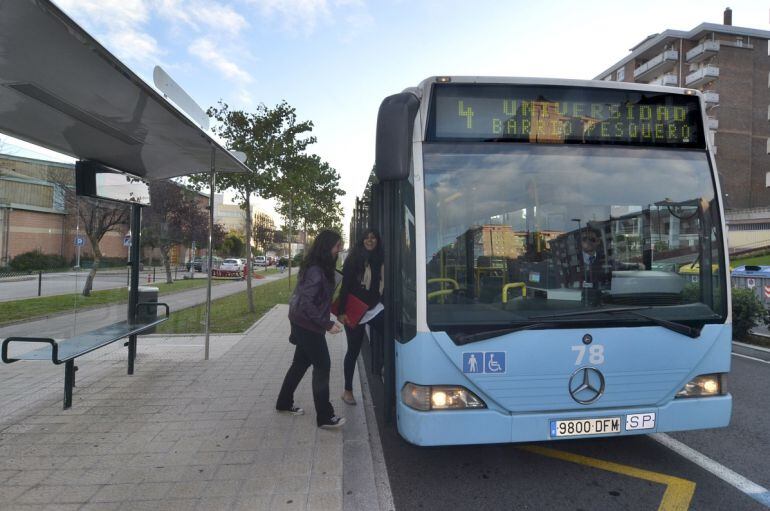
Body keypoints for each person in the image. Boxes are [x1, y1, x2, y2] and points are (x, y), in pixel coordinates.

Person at [276, 230, 346, 429]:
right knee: (323, 366)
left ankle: (283, 403)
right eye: (337, 246)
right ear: (327, 247)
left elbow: (316, 299)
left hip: (301, 321)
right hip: (307, 324)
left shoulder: (320, 267)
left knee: (299, 364)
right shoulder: (316, 270)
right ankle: (325, 417)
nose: (339, 249)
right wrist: (327, 324)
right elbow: (307, 302)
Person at [337, 229, 384, 406]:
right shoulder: (354, 259)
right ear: (361, 240)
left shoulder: (380, 257)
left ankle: (383, 369)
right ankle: (347, 391)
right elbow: (345, 286)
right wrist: (341, 312)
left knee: (391, 336)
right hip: (355, 310)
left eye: (373, 237)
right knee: (353, 350)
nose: (370, 240)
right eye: (367, 237)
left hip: (374, 308)